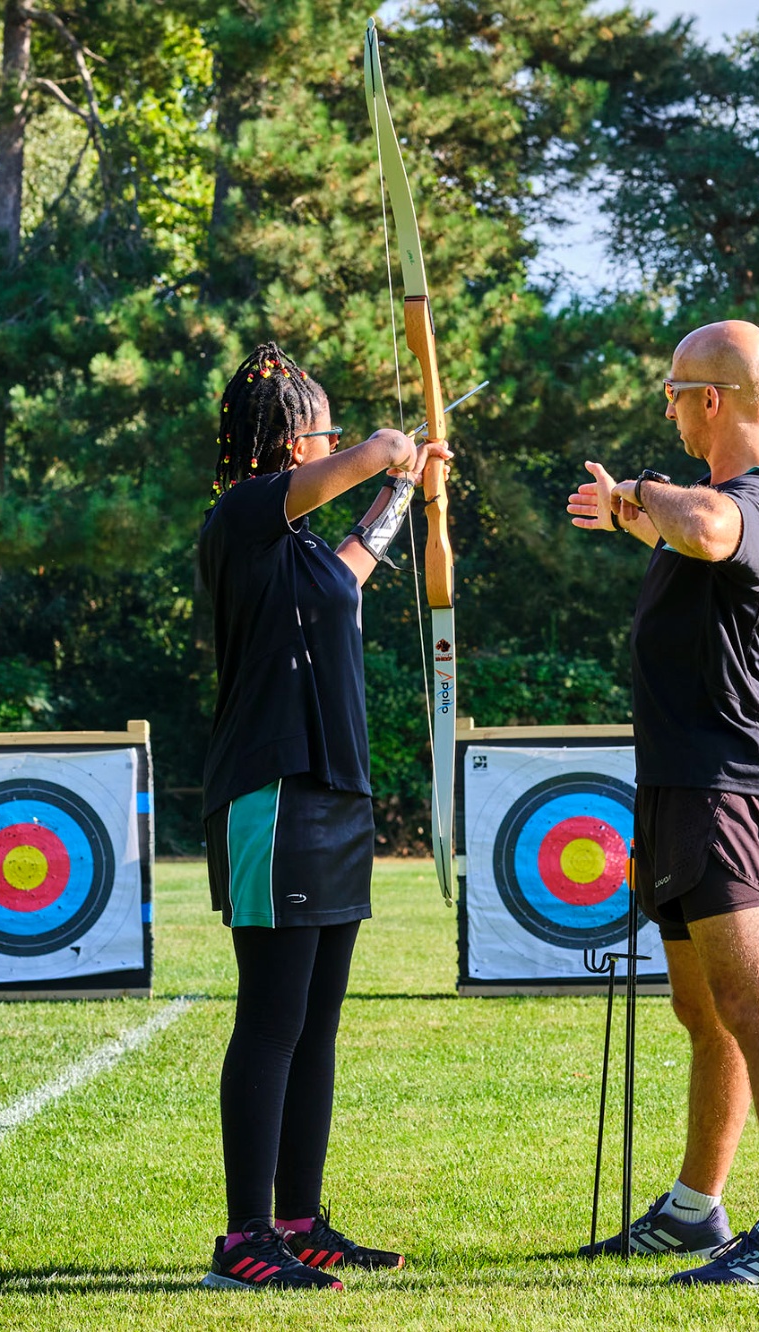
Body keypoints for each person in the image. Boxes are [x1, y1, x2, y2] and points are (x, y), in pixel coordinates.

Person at [563, 320, 759, 1288]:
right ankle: (695, 1211)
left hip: (726, 792)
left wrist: (642, 490)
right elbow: (684, 534)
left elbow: (710, 530)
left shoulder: (757, 500)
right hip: (681, 789)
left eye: (674, 393)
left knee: (755, 1008)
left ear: (712, 400)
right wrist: (627, 512)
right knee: (703, 1011)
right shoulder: (716, 505)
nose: (670, 410)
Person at [196, 343, 448, 1292]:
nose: (337, 441)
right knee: (272, 1020)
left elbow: (353, 568)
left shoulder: (300, 547)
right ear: (289, 440)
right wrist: (384, 449)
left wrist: (404, 492)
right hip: (273, 792)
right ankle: (244, 1239)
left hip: (333, 795)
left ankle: (299, 1223)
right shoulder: (242, 514)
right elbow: (341, 470)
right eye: (325, 430)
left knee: (316, 1021)